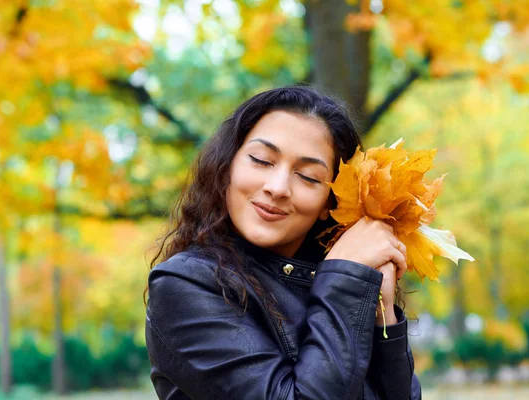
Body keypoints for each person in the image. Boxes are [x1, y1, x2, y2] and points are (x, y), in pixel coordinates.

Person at [145, 86, 422, 399]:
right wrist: (345, 278)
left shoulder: (338, 285)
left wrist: (381, 316)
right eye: (261, 160)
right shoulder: (182, 285)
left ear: (328, 205)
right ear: (227, 169)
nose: (277, 187)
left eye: (308, 177)